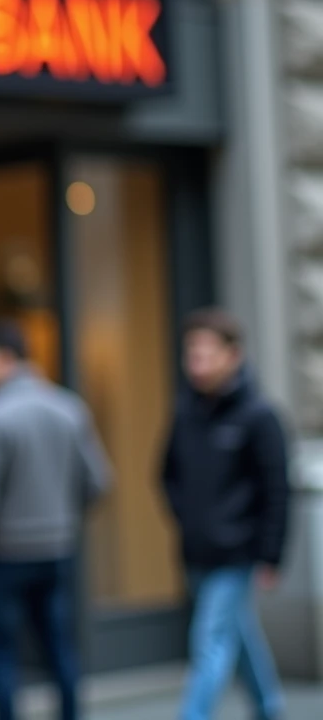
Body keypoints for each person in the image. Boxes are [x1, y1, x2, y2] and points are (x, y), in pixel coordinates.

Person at [0, 320, 112, 720]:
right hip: (58, 549)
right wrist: (63, 520)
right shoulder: (68, 407)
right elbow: (100, 481)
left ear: (6, 357)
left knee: (1, 655)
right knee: (59, 648)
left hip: (1, 554)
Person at [161, 308, 289, 720]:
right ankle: (269, 706)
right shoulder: (186, 413)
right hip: (197, 549)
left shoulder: (259, 416)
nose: (196, 364)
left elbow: (276, 491)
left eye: (205, 354)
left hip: (237, 551)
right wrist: (190, 519)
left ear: (232, 355)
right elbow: (167, 475)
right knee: (237, 633)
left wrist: (271, 554)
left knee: (211, 639)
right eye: (190, 354)